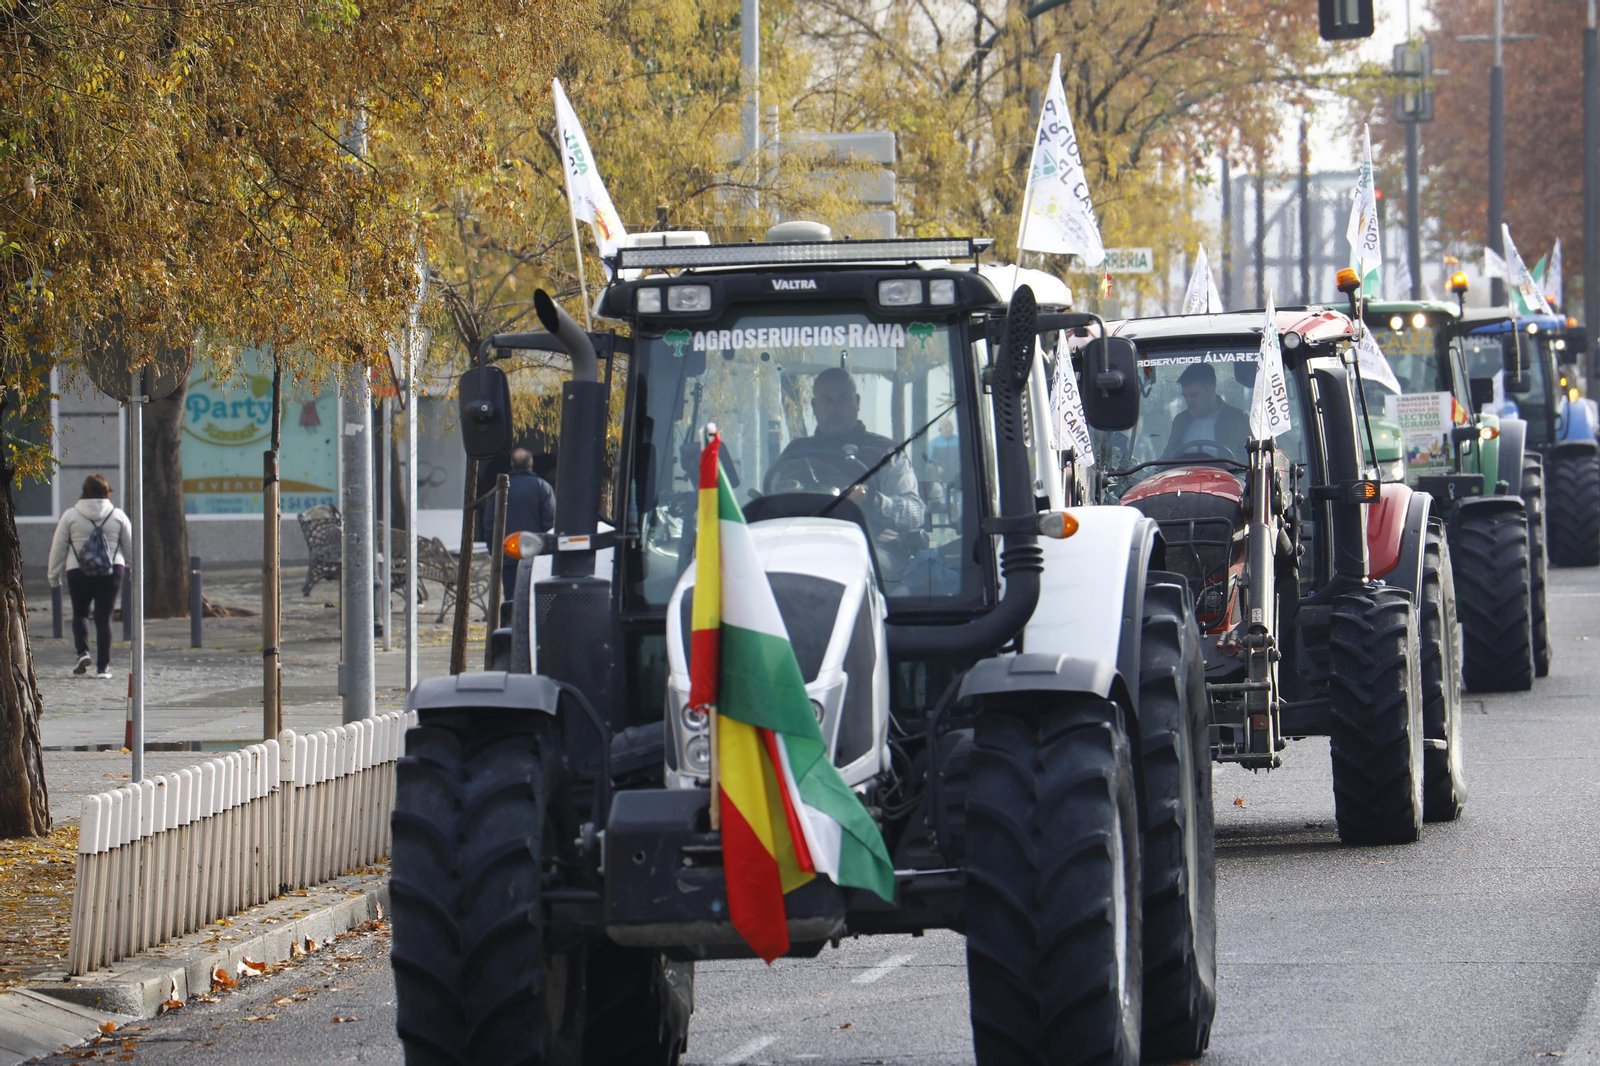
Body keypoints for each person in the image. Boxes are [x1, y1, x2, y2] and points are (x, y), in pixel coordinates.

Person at [775, 367, 925, 540]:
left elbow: (915, 513)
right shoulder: (795, 452)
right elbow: (773, 501)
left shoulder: (886, 452)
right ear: (814, 406)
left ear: (857, 402)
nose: (834, 408)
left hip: (869, 546)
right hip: (801, 543)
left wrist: (874, 500)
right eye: (826, 400)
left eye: (843, 399)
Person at [47, 474, 132, 679]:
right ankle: (103, 668)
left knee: (80, 613)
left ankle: (83, 653)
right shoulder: (117, 515)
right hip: (111, 571)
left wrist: (53, 575)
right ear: (107, 491)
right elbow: (131, 546)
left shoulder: (70, 515)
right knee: (104, 618)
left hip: (78, 570)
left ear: (84, 491)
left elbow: (59, 546)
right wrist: (137, 571)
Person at [484, 448, 557, 598]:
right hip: (535, 556)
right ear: (531, 464)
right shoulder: (542, 487)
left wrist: (495, 552)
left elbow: (489, 524)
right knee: (535, 598)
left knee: (511, 599)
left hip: (509, 555)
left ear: (512, 464)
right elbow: (550, 523)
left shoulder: (499, 490)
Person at [1165, 361, 1250, 461]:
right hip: (1184, 471)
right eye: (1185, 396)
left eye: (1194, 395)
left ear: (1211, 390)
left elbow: (1251, 462)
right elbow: (1167, 457)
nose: (1188, 402)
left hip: (1227, 471)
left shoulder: (1241, 420)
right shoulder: (1180, 421)